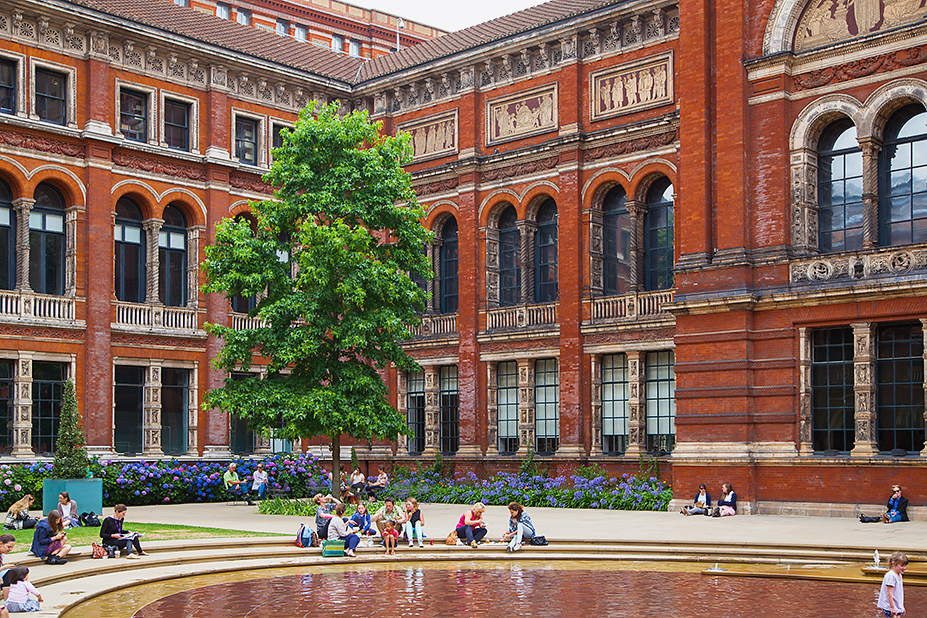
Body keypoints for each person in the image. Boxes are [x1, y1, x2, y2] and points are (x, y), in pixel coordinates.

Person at [878, 551, 908, 617]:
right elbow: (889, 593)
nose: (904, 568)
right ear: (894, 564)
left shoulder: (899, 574)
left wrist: (901, 607)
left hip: (896, 606)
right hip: (889, 606)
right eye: (902, 565)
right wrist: (892, 607)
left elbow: (898, 593)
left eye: (905, 565)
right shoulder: (891, 576)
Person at [0, 533, 17, 600]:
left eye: (12, 547)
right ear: (0, 544)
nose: (10, 550)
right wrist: (5, 567)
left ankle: (7, 602)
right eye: (8, 547)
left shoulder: (2, 554)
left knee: (10, 573)